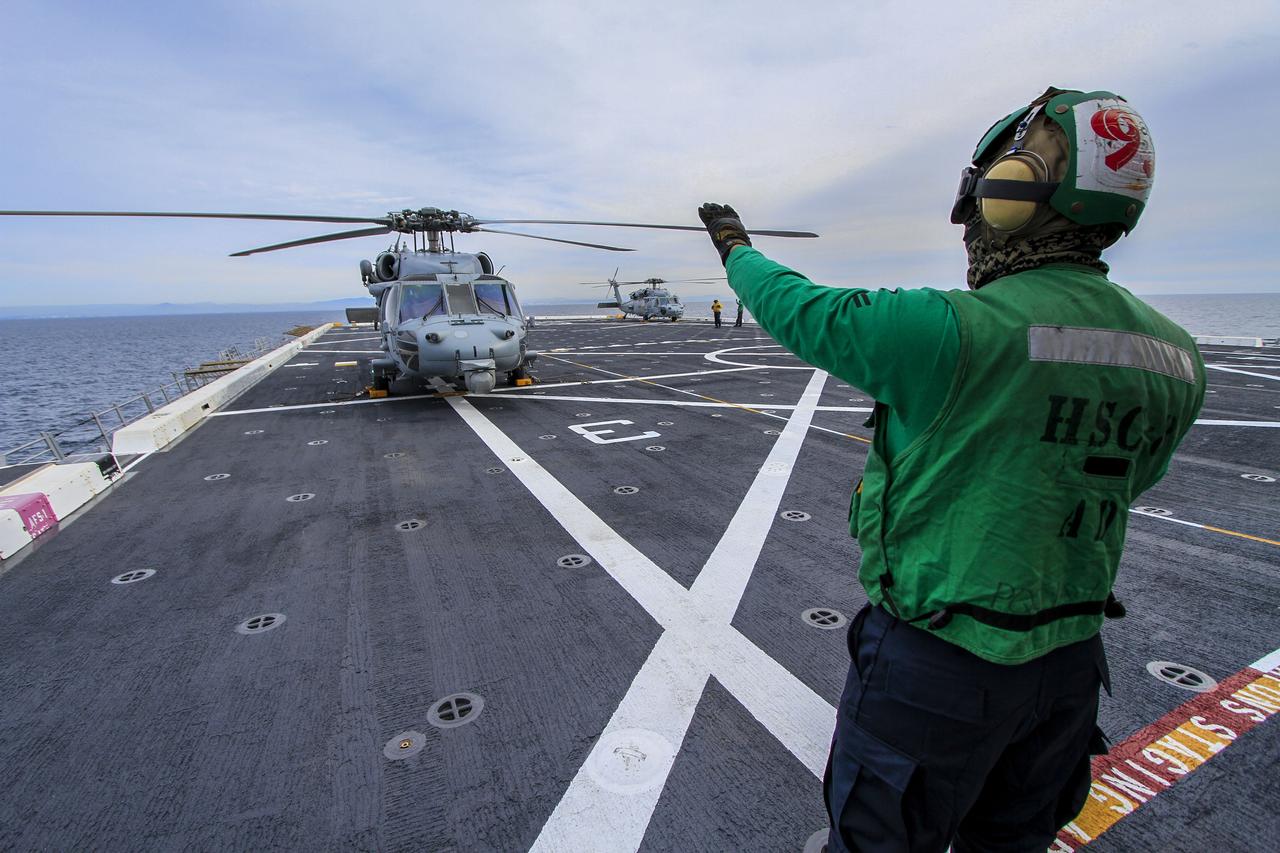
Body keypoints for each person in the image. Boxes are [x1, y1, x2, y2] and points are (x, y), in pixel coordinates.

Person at [698, 86, 1205, 852]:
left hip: (937, 663)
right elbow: (1135, 477)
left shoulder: (955, 329)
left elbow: (803, 309)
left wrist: (736, 247)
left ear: (1012, 195)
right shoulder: (1176, 354)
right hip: (1069, 665)